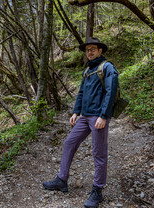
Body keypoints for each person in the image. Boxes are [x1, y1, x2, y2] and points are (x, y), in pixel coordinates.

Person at [42, 37, 119, 208]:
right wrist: (76, 111)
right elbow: (82, 92)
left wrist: (104, 116)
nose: (90, 52)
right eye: (87, 50)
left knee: (99, 153)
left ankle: (97, 191)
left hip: (98, 117)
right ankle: (62, 180)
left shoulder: (107, 67)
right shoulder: (87, 70)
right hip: (84, 117)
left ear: (100, 50)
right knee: (69, 143)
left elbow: (111, 93)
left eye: (93, 49)